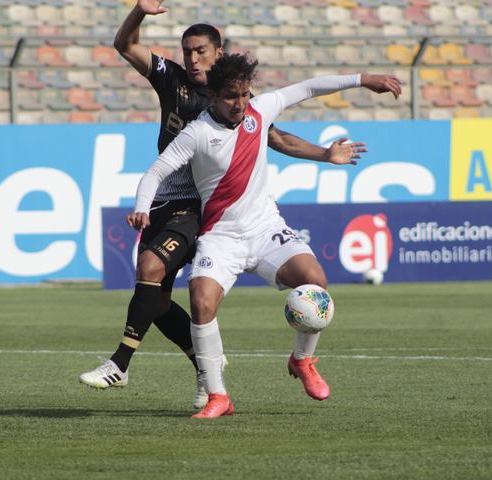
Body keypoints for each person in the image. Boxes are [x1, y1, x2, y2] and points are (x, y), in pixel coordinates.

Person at [80, 0, 366, 409]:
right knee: (159, 300)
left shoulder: (247, 104)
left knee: (153, 270)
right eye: (188, 52)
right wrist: (140, 11)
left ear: (219, 54)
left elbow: (281, 127)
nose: (193, 59)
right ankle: (207, 375)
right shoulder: (176, 86)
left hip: (201, 208)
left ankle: (121, 363)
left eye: (201, 51)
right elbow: (125, 46)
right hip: (175, 206)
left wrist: (328, 145)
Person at [128, 53, 402, 418]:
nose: (239, 103)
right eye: (230, 96)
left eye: (244, 94)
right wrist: (142, 207)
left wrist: (363, 78)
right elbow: (155, 172)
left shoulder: (260, 110)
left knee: (315, 281)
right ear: (214, 95)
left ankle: (302, 360)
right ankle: (218, 396)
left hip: (264, 229)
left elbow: (308, 88)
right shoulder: (197, 132)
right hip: (221, 237)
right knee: (201, 302)